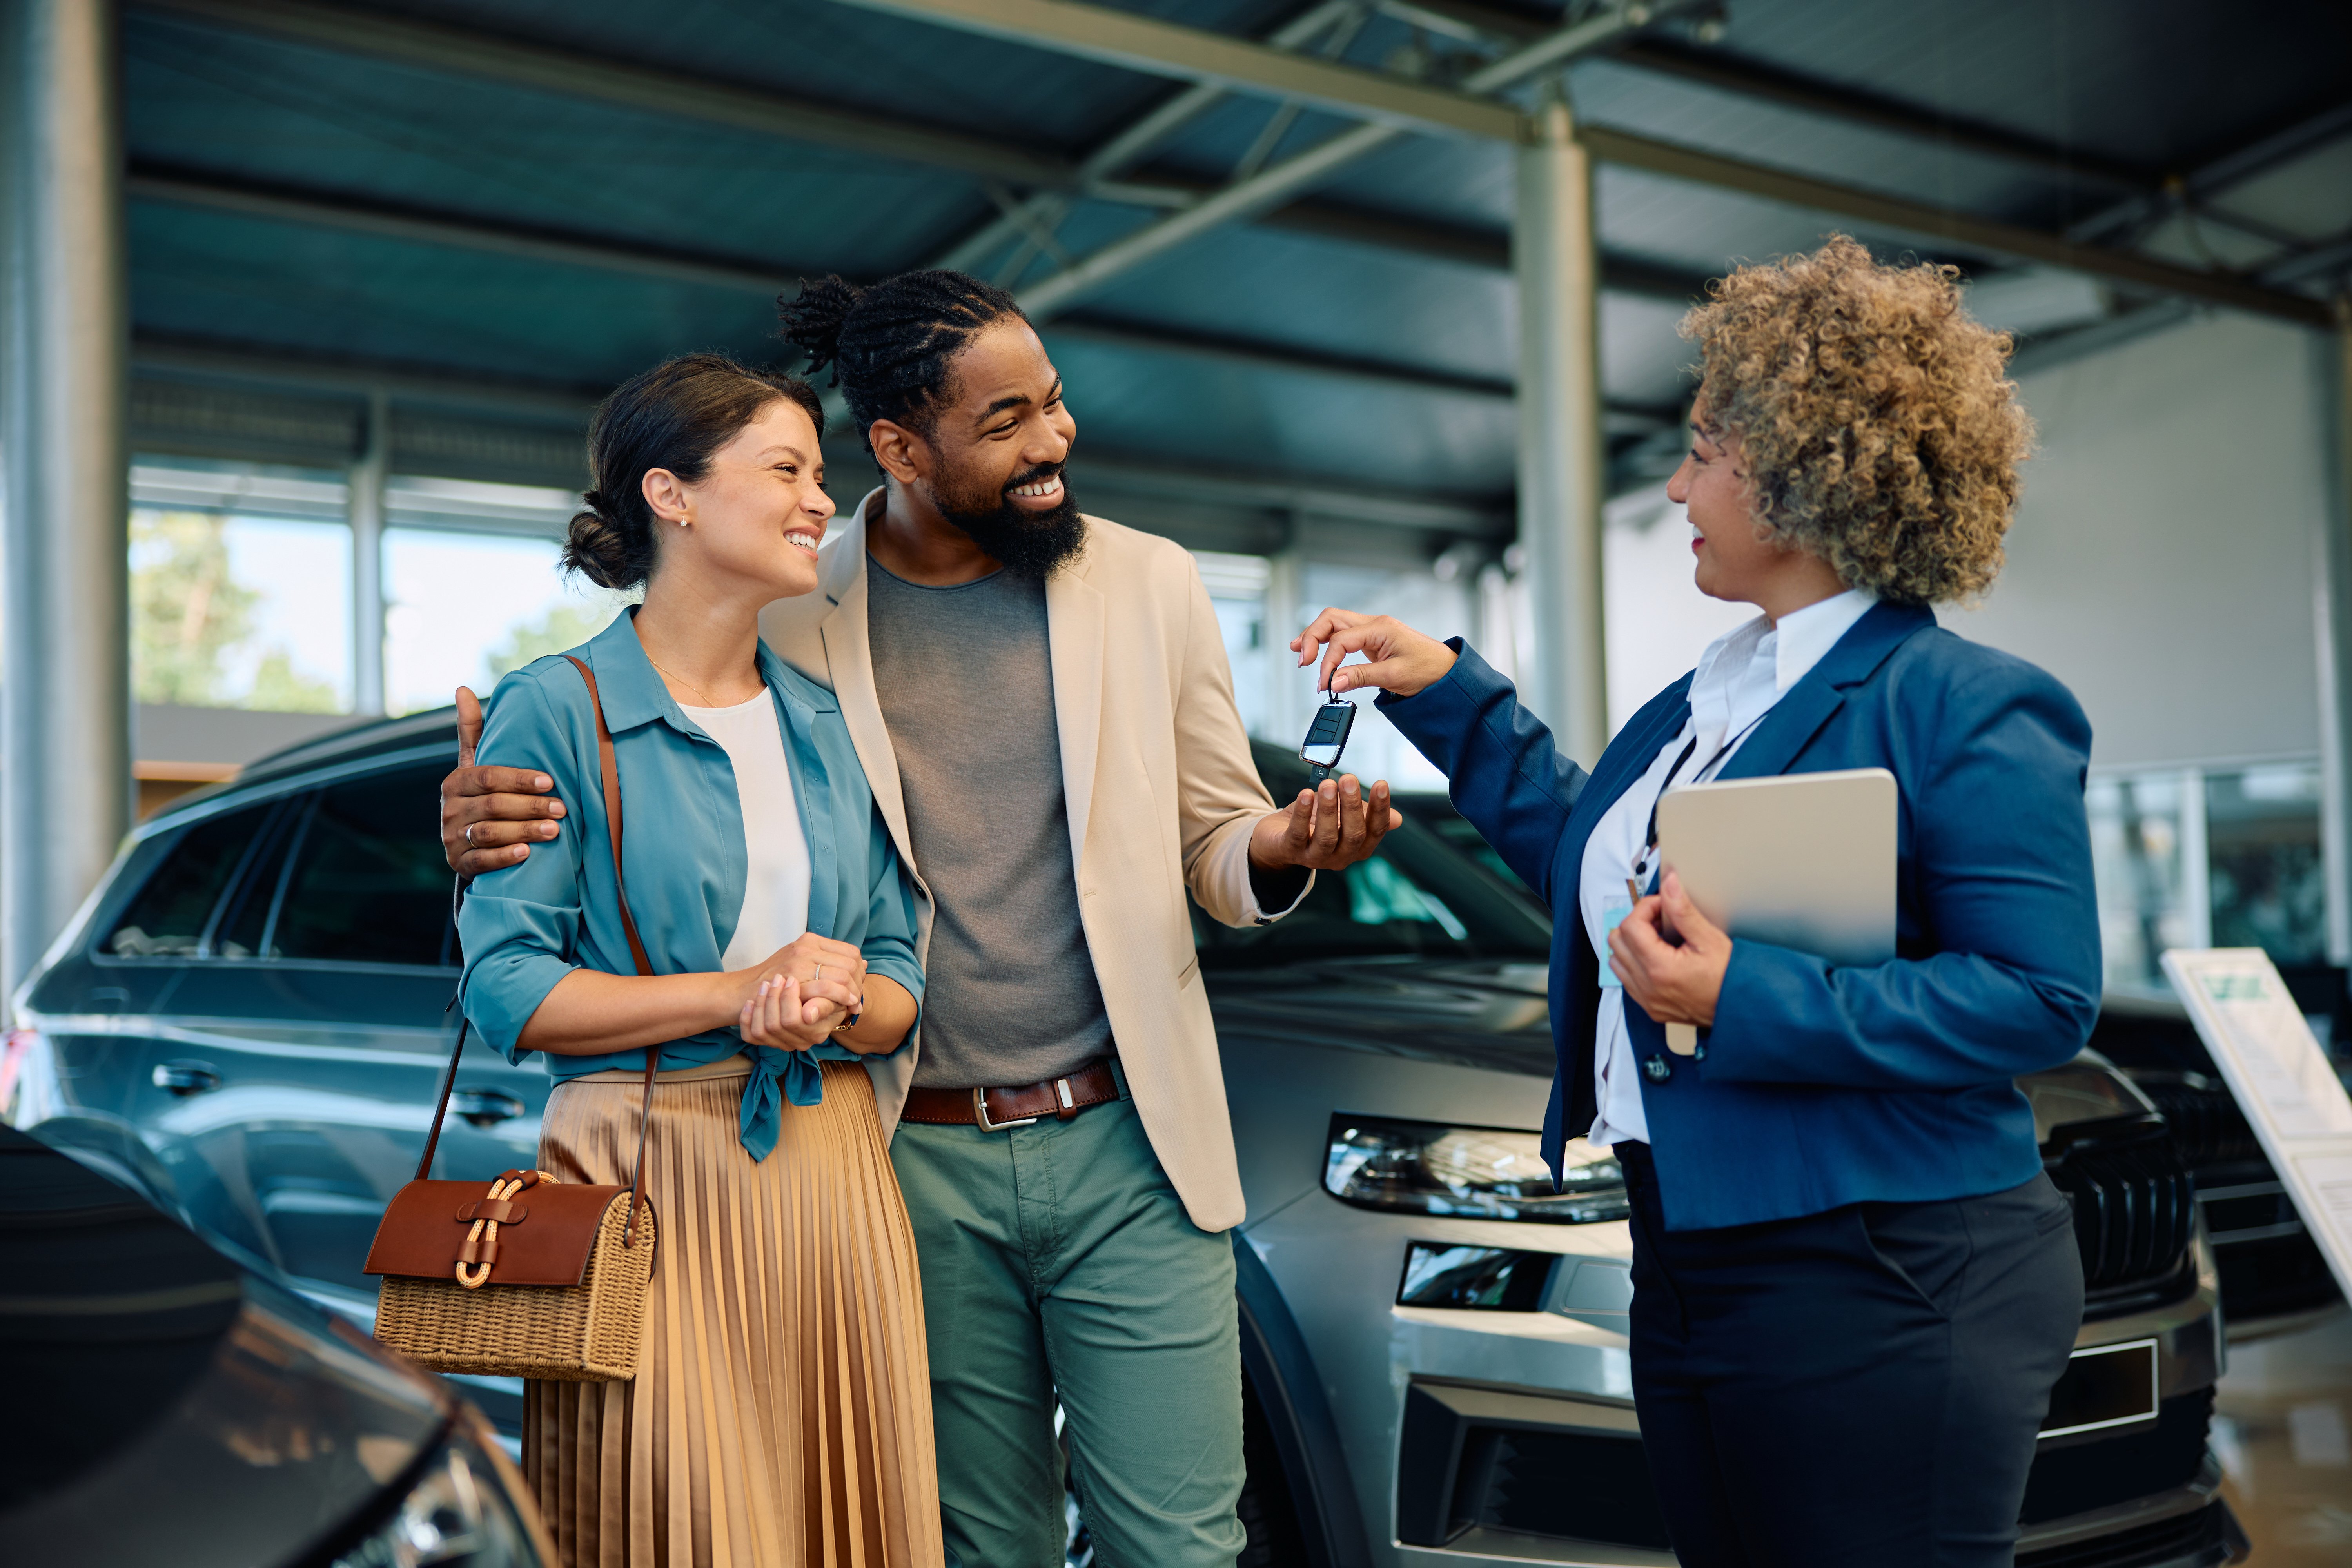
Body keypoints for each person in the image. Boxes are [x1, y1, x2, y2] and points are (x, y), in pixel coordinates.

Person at [441, 270, 1399, 1568]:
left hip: (1130, 1139)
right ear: (900, 445)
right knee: (963, 1541)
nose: (1053, 441)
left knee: (1180, 1542)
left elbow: (1217, 841)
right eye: (1006, 422)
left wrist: (1288, 842)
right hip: (902, 1154)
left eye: (1053, 406)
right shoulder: (797, 610)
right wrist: (477, 810)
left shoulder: (1150, 584)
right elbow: (657, 744)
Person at [1293, 237, 2096, 1568]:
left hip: (1886, 1269)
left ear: (1797, 473)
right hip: (1686, 1251)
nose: (1677, 485)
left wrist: (1742, 997)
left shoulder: (1966, 703)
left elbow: (2039, 996)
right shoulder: (1709, 700)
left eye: (1706, 453)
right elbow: (1587, 859)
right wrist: (1440, 687)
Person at [457, 354, 937, 1568]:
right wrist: (744, 993)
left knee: (846, 1523)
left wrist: (837, 1002)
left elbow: (895, 968)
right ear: (669, 495)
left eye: (817, 475)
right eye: (786, 470)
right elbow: (508, 986)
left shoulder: (826, 720)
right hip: (642, 1179)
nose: (820, 500)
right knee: (668, 1525)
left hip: (832, 1175)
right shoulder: (557, 708)